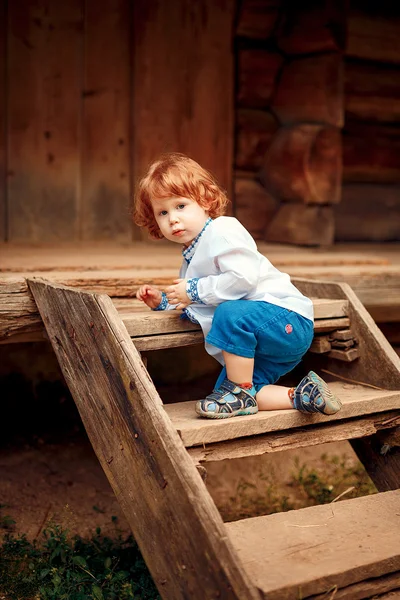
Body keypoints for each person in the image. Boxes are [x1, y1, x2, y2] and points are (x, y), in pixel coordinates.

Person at [134, 153, 342, 419]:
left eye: (181, 206)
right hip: (262, 340)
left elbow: (243, 279)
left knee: (229, 313)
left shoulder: (222, 230)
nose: (172, 218)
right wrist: (163, 301)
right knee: (226, 395)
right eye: (162, 212)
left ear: (205, 202)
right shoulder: (191, 258)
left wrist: (194, 289)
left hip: (284, 318)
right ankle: (303, 394)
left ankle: (241, 390)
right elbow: (199, 302)